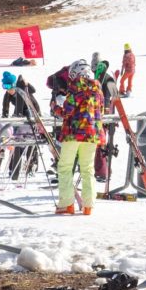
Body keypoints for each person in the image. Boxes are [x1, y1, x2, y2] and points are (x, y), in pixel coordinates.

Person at [53, 59, 104, 215]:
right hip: (92, 134)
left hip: (73, 133)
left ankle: (66, 204)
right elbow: (101, 111)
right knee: (87, 168)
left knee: (65, 167)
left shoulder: (76, 87)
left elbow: (67, 111)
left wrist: (55, 107)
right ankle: (88, 206)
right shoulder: (98, 90)